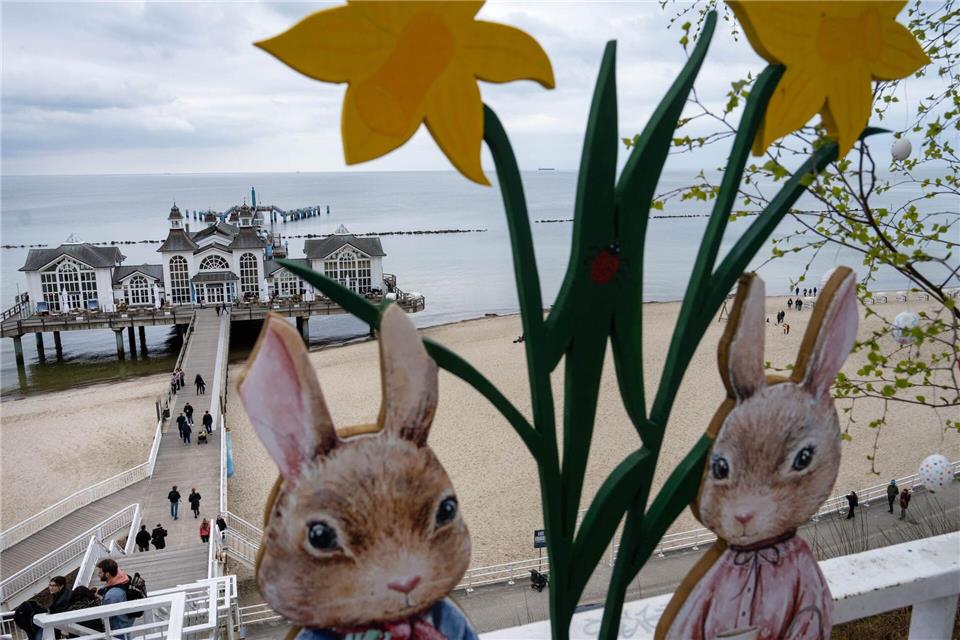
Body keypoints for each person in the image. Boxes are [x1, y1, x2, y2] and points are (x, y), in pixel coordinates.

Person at [95, 559, 134, 638]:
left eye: (100, 572)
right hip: (126, 623)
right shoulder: (122, 577)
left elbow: (104, 615)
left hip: (118, 630)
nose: (98, 575)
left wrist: (100, 599)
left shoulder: (111, 596)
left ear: (108, 574)